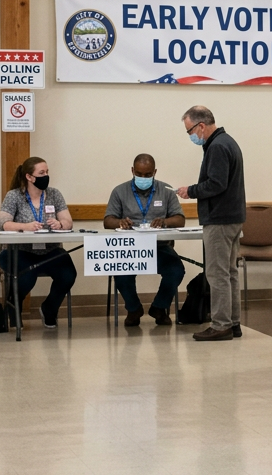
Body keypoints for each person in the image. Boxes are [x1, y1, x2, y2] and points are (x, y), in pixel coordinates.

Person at [176, 106, 246, 341]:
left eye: (190, 131)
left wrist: (190, 191)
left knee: (216, 274)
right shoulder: (228, 142)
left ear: (201, 126)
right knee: (230, 273)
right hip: (233, 217)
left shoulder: (217, 146)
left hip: (219, 219)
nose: (191, 136)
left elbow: (216, 184)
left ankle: (221, 325)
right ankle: (233, 323)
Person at [104, 154, 186, 327]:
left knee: (176, 270)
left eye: (148, 175)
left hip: (160, 247)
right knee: (121, 274)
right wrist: (120, 222)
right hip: (129, 248)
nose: (143, 178)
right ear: (132, 171)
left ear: (155, 172)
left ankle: (159, 307)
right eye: (139, 174)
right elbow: (107, 220)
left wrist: (165, 222)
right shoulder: (119, 191)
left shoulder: (166, 190)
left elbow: (180, 219)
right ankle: (133, 309)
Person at [0, 157, 77, 330]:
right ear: (29, 177)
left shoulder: (54, 194)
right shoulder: (14, 196)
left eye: (47, 172)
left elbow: (68, 221)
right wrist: (25, 227)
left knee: (68, 274)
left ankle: (49, 308)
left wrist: (60, 224)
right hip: (20, 251)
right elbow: (2, 223)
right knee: (27, 274)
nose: (46, 176)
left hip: (50, 250)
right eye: (41, 173)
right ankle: (13, 305)